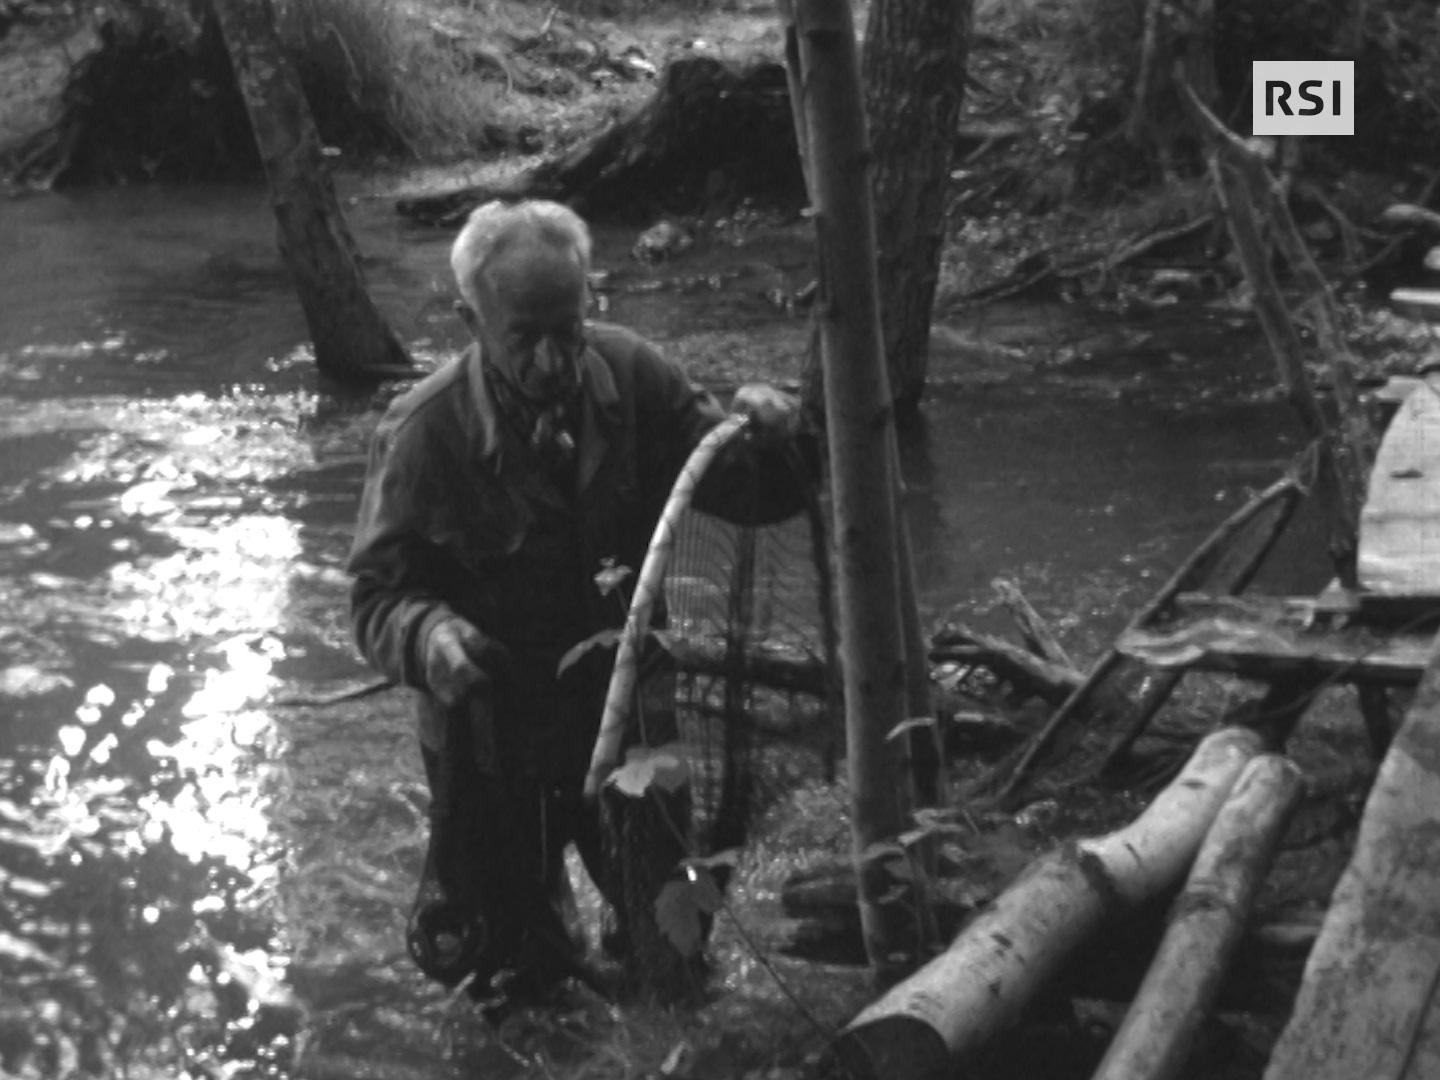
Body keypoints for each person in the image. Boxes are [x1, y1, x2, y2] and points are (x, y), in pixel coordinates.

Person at [346, 199, 801, 1003]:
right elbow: (377, 598)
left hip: (630, 727)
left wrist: (781, 429)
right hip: (487, 743)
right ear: (470, 320)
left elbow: (752, 492)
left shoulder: (637, 377)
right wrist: (429, 637)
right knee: (517, 978)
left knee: (676, 948)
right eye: (527, 338)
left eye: (572, 325)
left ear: (591, 296)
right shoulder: (421, 434)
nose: (556, 361)